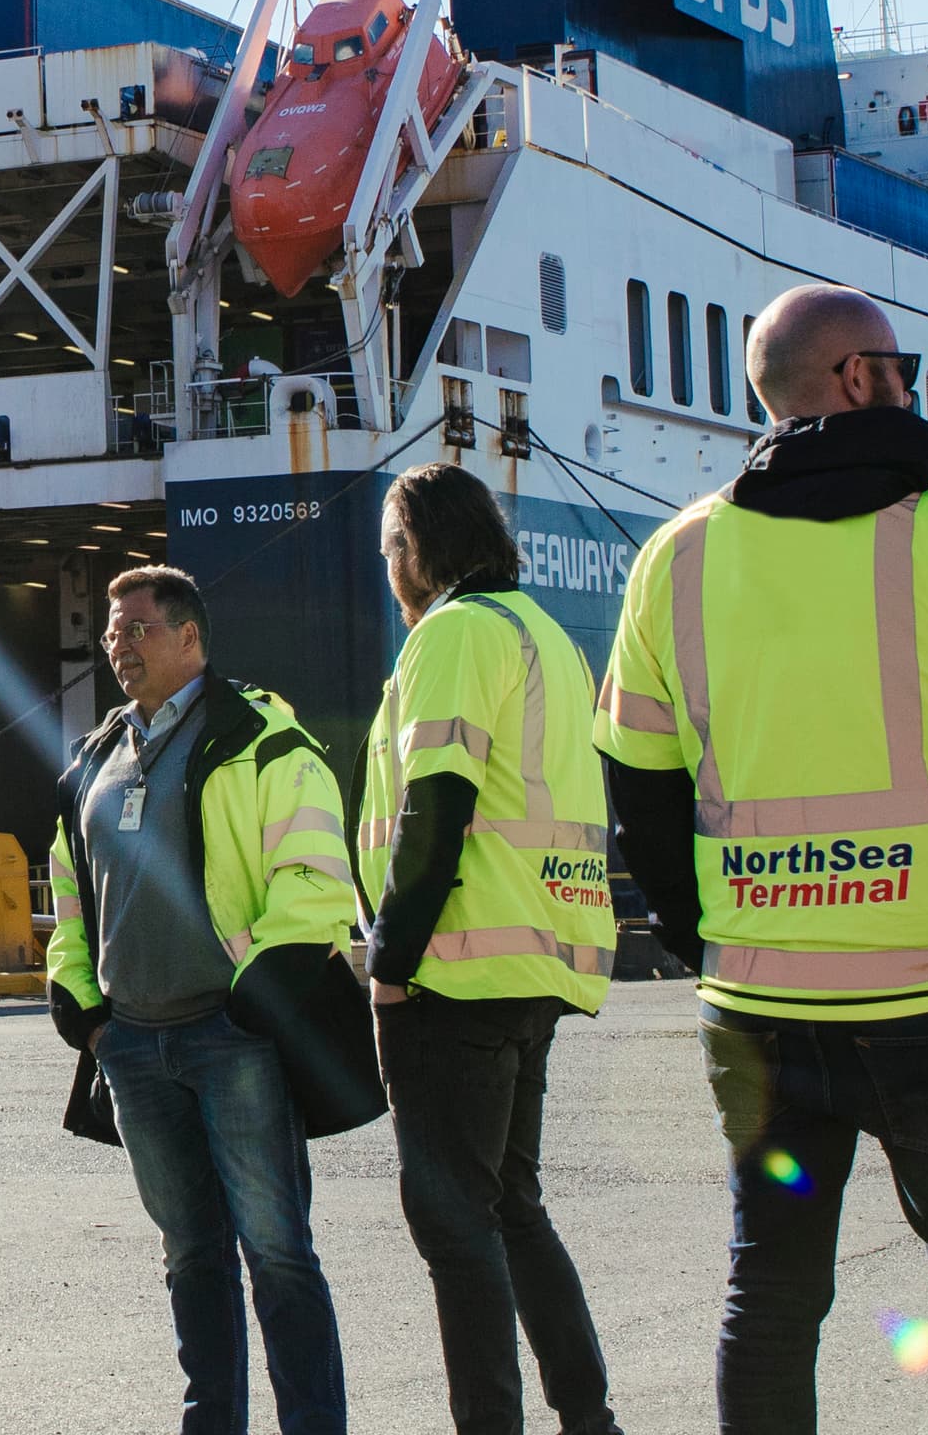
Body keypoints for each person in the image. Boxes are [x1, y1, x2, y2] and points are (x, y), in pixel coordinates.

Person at [594, 282, 928, 1435]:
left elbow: (643, 793)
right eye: (900, 366)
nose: (908, 387)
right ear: (861, 378)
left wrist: (707, 939)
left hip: (763, 1006)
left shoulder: (674, 558)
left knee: (769, 1297)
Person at [48, 562, 358, 1435]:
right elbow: (69, 888)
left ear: (189, 637)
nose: (118, 643)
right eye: (112, 630)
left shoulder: (258, 736)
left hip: (233, 1038)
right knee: (190, 1257)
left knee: (279, 1255)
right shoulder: (99, 755)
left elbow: (314, 870)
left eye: (137, 627)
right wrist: (79, 996)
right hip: (136, 1048)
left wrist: (263, 985)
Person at [358, 463, 623, 1435]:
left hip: (455, 973)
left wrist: (390, 965)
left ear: (422, 546)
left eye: (392, 547)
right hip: (534, 961)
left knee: (456, 1229)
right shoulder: (543, 634)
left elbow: (437, 807)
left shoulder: (453, 634)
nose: (388, 569)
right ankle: (587, 1416)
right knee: (513, 1206)